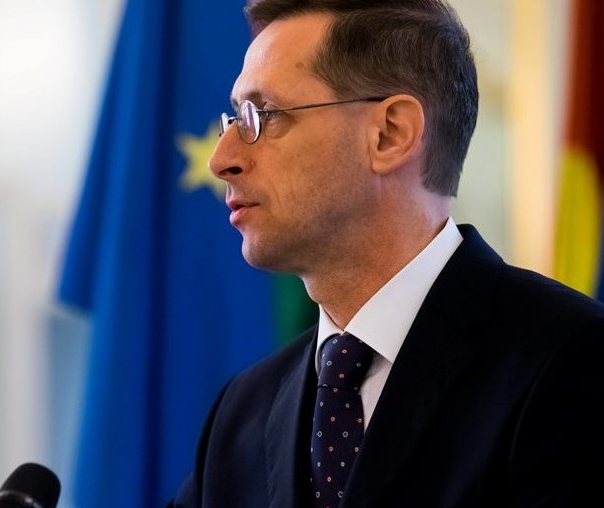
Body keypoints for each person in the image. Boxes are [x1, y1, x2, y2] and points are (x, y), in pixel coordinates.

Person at [166, 0, 604, 507]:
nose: (222, 159)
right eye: (233, 119)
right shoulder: (240, 414)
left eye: (261, 116)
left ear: (390, 134)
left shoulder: (571, 361)